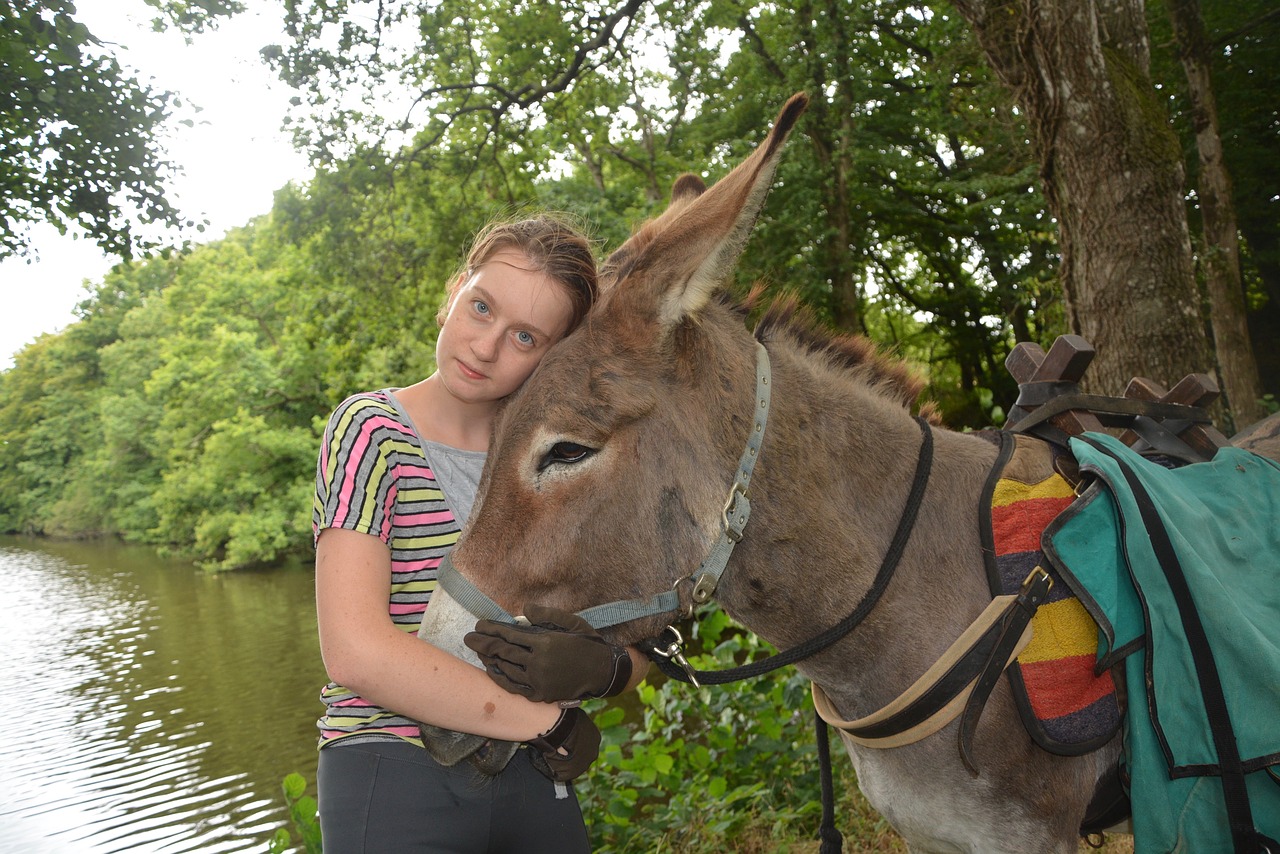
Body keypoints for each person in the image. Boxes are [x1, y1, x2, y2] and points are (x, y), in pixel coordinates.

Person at [312, 214, 642, 853]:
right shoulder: (370, 430)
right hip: (394, 765)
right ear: (454, 292)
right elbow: (355, 651)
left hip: (533, 774)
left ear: (554, 358)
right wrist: (548, 724)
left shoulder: (560, 464)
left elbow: (633, 647)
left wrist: (604, 669)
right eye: (481, 307)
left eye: (525, 336)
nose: (486, 346)